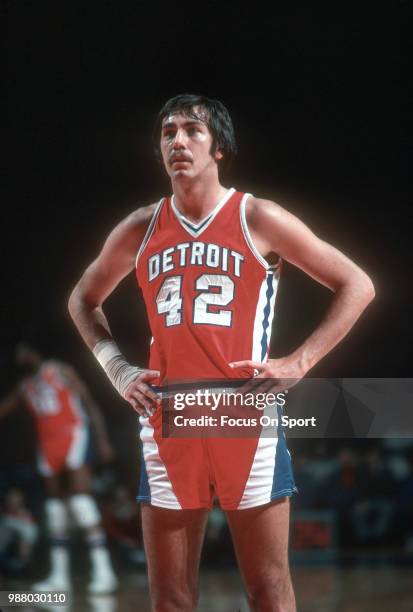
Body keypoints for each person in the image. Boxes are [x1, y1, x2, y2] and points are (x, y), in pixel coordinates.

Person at [68, 94, 375, 611]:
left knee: (269, 591)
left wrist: (299, 362)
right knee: (170, 598)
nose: (178, 141)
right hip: (170, 417)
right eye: (168, 132)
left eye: (193, 130)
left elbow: (358, 284)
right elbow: (82, 298)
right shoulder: (139, 227)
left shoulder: (258, 216)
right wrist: (117, 370)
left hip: (245, 415)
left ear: (220, 149)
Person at [0, 343, 118, 594]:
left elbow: (89, 402)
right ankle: (59, 576)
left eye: (22, 351)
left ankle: (104, 572)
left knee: (81, 503)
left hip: (74, 434)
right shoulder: (25, 386)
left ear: (32, 350)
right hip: (48, 445)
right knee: (54, 509)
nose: (19, 357)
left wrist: (102, 439)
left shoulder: (61, 370)